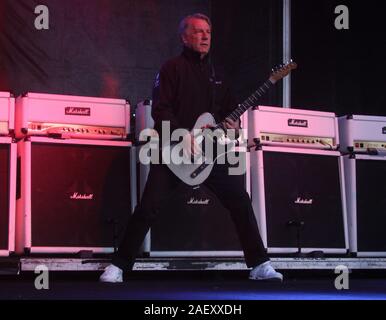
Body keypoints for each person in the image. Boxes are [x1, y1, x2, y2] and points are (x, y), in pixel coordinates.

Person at [100, 13, 283, 283]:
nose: (205, 36)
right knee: (148, 206)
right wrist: (180, 134)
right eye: (198, 31)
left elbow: (230, 112)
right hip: (175, 152)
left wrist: (234, 126)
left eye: (208, 31)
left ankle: (259, 264)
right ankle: (119, 266)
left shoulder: (218, 75)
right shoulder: (171, 69)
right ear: (184, 37)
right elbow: (160, 110)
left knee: (240, 201)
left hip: (211, 154)